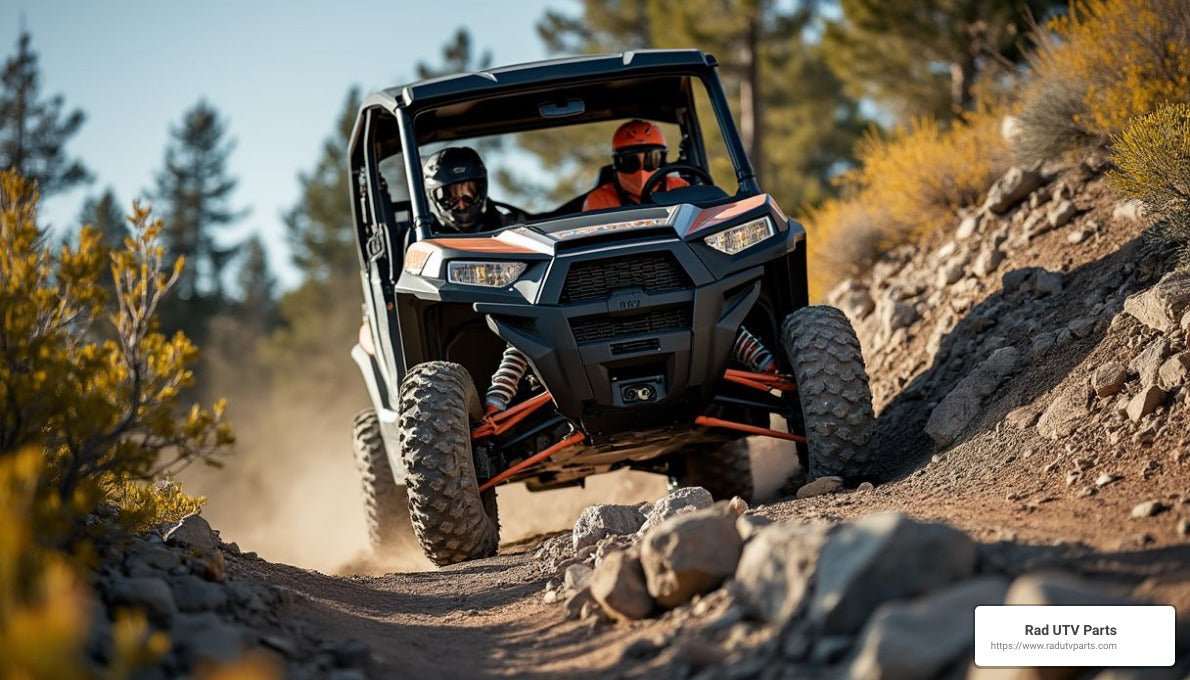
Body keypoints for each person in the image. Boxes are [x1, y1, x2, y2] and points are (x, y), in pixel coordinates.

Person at [582, 119, 688, 211]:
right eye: (630, 162)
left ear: (663, 160)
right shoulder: (599, 200)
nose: (641, 172)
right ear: (617, 164)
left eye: (650, 160)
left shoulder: (680, 188)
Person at [423, 146, 512, 232]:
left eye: (469, 196)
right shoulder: (420, 233)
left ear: (482, 191)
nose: (462, 206)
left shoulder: (510, 226)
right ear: (433, 197)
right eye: (451, 199)